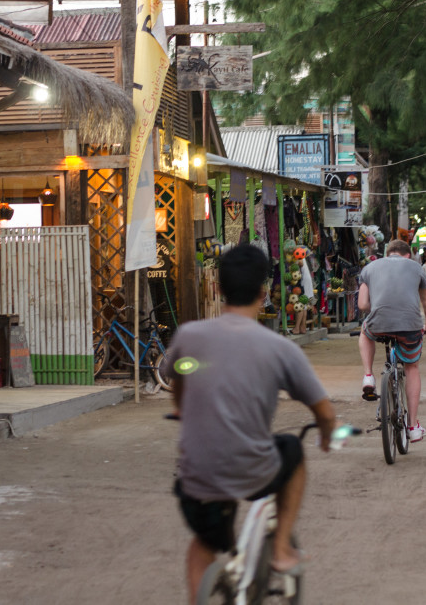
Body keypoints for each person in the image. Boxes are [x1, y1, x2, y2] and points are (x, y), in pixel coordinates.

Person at [162, 244, 336, 604]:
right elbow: (323, 410)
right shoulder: (279, 348)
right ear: (263, 292)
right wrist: (325, 434)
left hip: (197, 474)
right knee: (292, 450)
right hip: (254, 469)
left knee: (204, 544)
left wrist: (183, 408)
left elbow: (179, 375)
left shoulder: (189, 337)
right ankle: (282, 548)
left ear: (220, 289)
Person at [357, 239, 426, 442]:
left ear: (388, 253)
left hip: (379, 324)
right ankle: (413, 427)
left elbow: (363, 304)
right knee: (411, 368)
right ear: (407, 255)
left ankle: (368, 376)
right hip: (409, 327)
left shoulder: (370, 267)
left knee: (365, 331)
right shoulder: (416, 267)